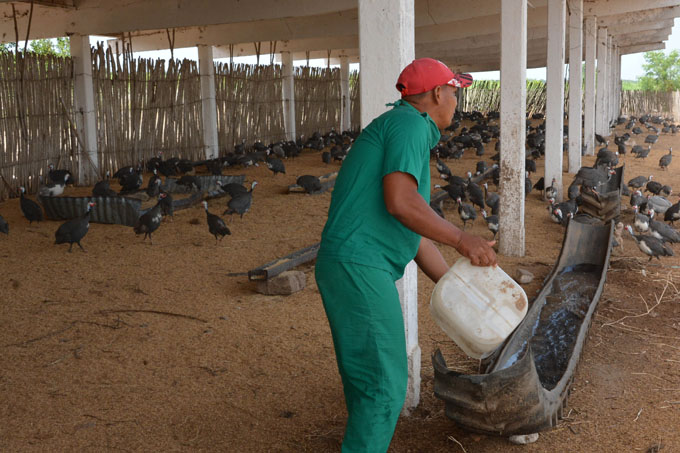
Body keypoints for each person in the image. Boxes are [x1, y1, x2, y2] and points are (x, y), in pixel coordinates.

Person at [314, 58, 497, 452]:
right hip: (360, 265)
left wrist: (457, 286)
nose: (456, 100)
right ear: (436, 94)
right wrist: (462, 238)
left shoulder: (401, 127)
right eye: (454, 91)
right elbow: (401, 203)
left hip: (352, 263)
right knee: (383, 388)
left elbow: (412, 230)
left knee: (370, 385)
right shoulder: (412, 125)